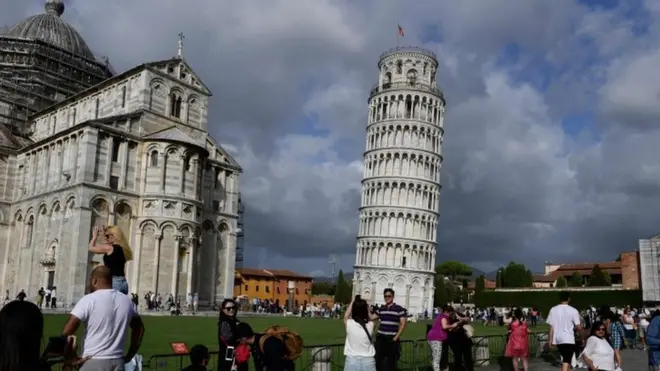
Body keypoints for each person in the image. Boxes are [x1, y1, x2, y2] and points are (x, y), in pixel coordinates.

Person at [61, 266, 145, 371]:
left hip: (93, 361)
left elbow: (67, 331)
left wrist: (71, 358)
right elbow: (139, 328)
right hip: (118, 361)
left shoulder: (89, 300)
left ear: (94, 280)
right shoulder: (127, 301)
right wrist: (131, 353)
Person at [88, 225, 133, 294]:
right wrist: (105, 234)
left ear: (114, 236)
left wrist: (94, 237)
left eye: (107, 236)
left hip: (114, 282)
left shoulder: (110, 248)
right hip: (123, 282)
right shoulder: (123, 249)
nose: (106, 238)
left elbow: (91, 248)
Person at [546, 291, 582, 371]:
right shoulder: (573, 310)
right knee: (566, 361)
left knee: (566, 362)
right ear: (569, 298)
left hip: (558, 339)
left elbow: (550, 327)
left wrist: (550, 341)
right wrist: (582, 338)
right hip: (568, 339)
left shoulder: (553, 309)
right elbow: (579, 327)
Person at [374, 288, 407, 371]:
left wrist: (396, 337)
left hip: (391, 339)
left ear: (393, 297)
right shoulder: (381, 308)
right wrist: (365, 307)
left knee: (391, 363)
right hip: (381, 338)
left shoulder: (399, 309)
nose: (387, 298)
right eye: (385, 296)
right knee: (378, 361)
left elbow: (403, 324)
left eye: (389, 296)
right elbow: (371, 317)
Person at [343, 296, 376, 371]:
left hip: (352, 360)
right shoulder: (371, 325)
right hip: (368, 361)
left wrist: (353, 302)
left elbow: (345, 316)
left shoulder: (349, 323)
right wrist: (365, 307)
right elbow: (371, 318)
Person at [218, 299, 247, 371]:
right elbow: (228, 338)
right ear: (223, 310)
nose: (231, 310)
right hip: (228, 357)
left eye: (233, 308)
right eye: (228, 308)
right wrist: (241, 337)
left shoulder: (234, 321)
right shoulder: (224, 322)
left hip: (237, 355)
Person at [427, 305, 457, 371]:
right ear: (446, 312)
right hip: (436, 339)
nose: (451, 315)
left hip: (434, 338)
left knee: (435, 356)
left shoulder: (442, 316)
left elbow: (447, 329)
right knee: (437, 358)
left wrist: (454, 327)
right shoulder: (443, 317)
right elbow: (444, 326)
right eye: (450, 313)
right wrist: (453, 325)